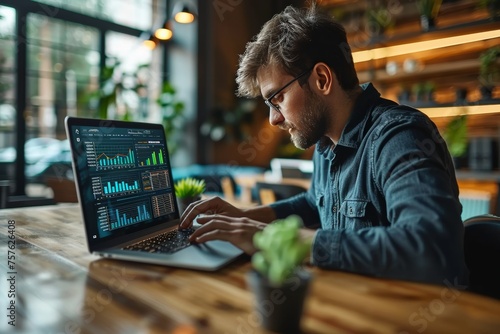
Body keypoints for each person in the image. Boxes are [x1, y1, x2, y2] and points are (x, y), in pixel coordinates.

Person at [180, 2, 468, 286]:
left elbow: (430, 249)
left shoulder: (399, 137)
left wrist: (274, 238)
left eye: (277, 99)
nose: (273, 120)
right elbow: (315, 204)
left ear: (321, 79)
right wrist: (246, 218)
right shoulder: (327, 142)